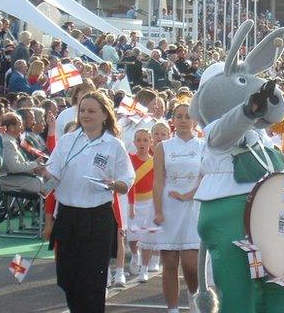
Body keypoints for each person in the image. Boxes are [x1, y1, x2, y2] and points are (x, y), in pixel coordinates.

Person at [43, 91, 134, 313]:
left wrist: (114, 184)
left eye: (91, 111)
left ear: (105, 115)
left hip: (98, 217)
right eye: (82, 110)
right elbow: (51, 175)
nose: (85, 115)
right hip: (68, 215)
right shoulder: (67, 141)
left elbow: (126, 182)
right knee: (68, 279)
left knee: (92, 282)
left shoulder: (113, 145)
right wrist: (41, 172)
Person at [140, 103, 202, 313]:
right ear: (172, 120)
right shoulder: (163, 147)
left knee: (191, 265)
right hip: (168, 208)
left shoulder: (203, 146)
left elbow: (205, 177)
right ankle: (172, 308)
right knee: (169, 262)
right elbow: (158, 181)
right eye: (179, 116)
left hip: (193, 207)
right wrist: (158, 210)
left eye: (187, 116)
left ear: (194, 120)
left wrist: (188, 195)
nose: (183, 120)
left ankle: (195, 299)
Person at [127, 129, 155, 282]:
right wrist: (131, 204)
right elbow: (129, 184)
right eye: (139, 140)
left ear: (151, 142)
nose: (142, 143)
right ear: (134, 142)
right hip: (133, 202)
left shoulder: (155, 161)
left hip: (149, 202)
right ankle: (134, 254)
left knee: (148, 234)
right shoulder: (130, 159)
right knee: (132, 234)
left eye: (145, 140)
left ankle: (144, 268)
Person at [0, 112, 46, 194]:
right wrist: (35, 164)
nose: (22, 128)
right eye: (20, 125)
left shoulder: (11, 141)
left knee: (51, 179)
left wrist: (35, 168)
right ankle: (45, 206)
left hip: (18, 177)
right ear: (11, 127)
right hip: (9, 180)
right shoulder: (7, 142)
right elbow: (14, 167)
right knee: (49, 183)